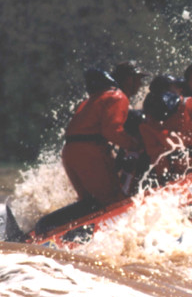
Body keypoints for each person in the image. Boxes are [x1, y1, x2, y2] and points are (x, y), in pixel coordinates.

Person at [61, 67, 142, 206]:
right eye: (139, 79)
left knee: (89, 203)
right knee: (113, 201)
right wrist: (135, 145)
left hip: (69, 152)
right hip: (89, 152)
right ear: (129, 80)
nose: (141, 84)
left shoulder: (91, 100)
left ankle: (54, 226)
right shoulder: (117, 96)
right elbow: (112, 131)